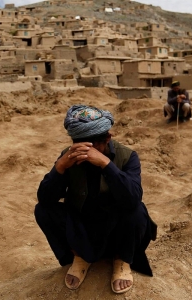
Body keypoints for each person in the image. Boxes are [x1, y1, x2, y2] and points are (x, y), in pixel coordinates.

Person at [35, 104, 157, 294]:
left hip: (116, 227)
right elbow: (45, 199)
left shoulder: (127, 157)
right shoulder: (69, 156)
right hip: (82, 224)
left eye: (92, 146)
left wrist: (105, 164)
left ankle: (121, 260)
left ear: (108, 138)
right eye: (79, 144)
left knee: (137, 211)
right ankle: (80, 257)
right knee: (43, 211)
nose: (85, 152)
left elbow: (132, 198)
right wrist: (60, 167)